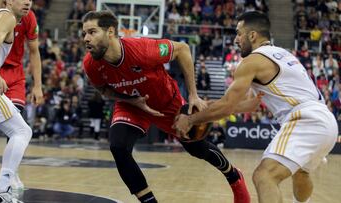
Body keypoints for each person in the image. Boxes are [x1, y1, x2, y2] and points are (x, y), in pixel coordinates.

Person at [81, 11, 255, 203]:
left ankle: (234, 177)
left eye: (92, 32)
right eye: (84, 34)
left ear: (111, 31)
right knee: (118, 147)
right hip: (130, 104)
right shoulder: (91, 64)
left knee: (198, 149)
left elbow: (183, 49)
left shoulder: (144, 49)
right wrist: (132, 101)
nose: (86, 39)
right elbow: (104, 90)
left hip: (167, 104)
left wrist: (193, 95)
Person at [173, 11, 338, 203]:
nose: (236, 39)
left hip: (305, 120)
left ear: (252, 35)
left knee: (264, 176)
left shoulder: (252, 61)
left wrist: (191, 119)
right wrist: (208, 105)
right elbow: (250, 104)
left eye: (239, 33)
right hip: (326, 122)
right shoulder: (283, 54)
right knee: (301, 172)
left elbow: (226, 107)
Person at [0, 0, 43, 190]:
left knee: (17, 128)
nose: (28, 2)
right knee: (22, 131)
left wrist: (38, 85)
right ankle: (2, 189)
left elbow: (33, 51)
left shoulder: (18, 18)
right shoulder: (6, 16)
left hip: (8, 74)